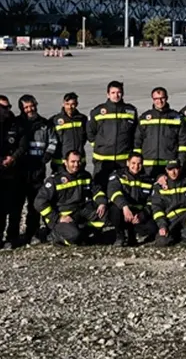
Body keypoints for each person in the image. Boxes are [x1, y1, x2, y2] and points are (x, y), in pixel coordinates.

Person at [34, 150, 107, 246]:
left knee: (106, 215)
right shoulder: (55, 180)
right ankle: (54, 235)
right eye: (73, 162)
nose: (76, 164)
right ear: (65, 162)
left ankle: (84, 233)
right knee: (74, 236)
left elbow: (96, 191)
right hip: (62, 215)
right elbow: (39, 203)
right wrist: (58, 218)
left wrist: (102, 203)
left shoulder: (85, 176)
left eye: (78, 161)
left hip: (79, 212)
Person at [16, 94, 58, 244]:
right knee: (17, 205)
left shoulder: (45, 124)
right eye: (26, 107)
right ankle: (13, 235)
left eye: (31, 106)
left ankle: (32, 233)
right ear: (21, 108)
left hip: (37, 169)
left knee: (35, 204)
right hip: (20, 170)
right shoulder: (17, 124)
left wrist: (46, 156)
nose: (29, 109)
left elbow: (53, 141)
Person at [87, 80, 138, 186]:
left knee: (122, 188)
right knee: (100, 187)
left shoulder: (130, 111)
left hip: (123, 161)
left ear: (122, 93)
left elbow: (135, 132)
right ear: (108, 94)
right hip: (103, 160)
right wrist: (98, 145)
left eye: (118, 92)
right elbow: (90, 131)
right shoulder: (98, 111)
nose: (116, 95)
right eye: (113, 93)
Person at [133, 87, 186, 176]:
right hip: (148, 167)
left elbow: (183, 143)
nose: (160, 101)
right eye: (156, 99)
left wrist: (180, 162)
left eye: (162, 98)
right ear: (153, 99)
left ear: (166, 98)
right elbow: (137, 142)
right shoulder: (144, 118)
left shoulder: (177, 118)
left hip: (169, 167)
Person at [107, 153, 158, 246]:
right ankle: (120, 236)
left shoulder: (148, 180)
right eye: (133, 163)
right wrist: (125, 207)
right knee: (114, 210)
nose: (136, 166)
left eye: (139, 164)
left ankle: (133, 235)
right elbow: (113, 192)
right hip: (123, 211)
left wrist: (143, 214)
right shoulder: (118, 175)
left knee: (153, 228)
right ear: (127, 163)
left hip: (137, 214)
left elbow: (152, 200)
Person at [150, 158, 186, 246]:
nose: (173, 172)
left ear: (180, 168)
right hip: (170, 220)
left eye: (176, 168)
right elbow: (157, 208)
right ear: (166, 170)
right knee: (162, 242)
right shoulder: (159, 186)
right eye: (170, 169)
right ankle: (176, 235)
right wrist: (162, 226)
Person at [0, 103, 28, 249]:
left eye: (8, 107)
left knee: (15, 208)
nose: (6, 110)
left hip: (14, 172)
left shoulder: (15, 124)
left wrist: (13, 158)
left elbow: (22, 145)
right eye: (3, 107)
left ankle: (13, 237)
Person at [49, 92, 88, 169]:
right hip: (60, 162)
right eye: (67, 104)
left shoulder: (83, 119)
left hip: (78, 161)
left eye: (72, 104)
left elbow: (86, 137)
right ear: (63, 104)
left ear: (77, 104)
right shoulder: (55, 120)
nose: (70, 107)